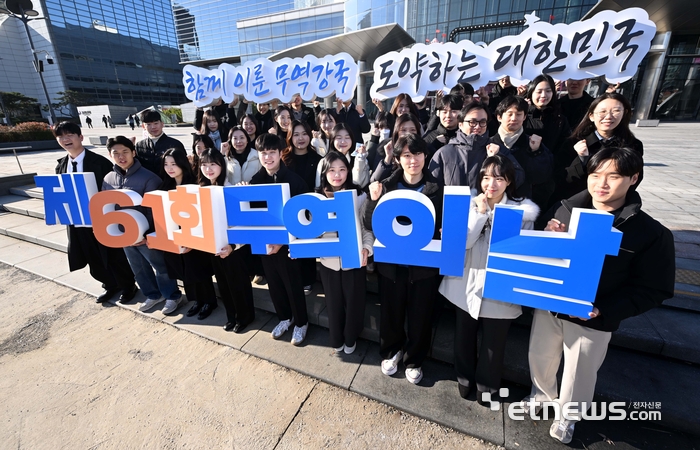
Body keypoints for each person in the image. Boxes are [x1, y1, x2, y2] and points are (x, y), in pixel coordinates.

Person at [524, 147, 675, 444]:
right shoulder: (563, 208)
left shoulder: (650, 233)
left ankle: (568, 416)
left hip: (593, 315)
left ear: (634, 178)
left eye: (613, 176)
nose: (601, 183)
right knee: (539, 355)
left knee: (580, 370)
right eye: (595, 175)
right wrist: (548, 237)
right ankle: (541, 395)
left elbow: (653, 288)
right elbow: (541, 256)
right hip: (550, 306)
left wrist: (604, 309)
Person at [439, 155, 539, 403]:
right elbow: (462, 243)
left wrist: (493, 219)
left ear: (508, 182)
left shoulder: (522, 212)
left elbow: (518, 252)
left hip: (499, 286)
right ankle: (464, 378)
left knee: (494, 343)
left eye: (498, 178)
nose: (490, 184)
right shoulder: (469, 205)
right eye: (486, 177)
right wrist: (480, 215)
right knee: (464, 334)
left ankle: (488, 385)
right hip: (466, 281)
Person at [364, 134, 443, 385]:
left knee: (421, 316)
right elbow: (369, 222)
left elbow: (442, 225)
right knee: (391, 313)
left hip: (423, 268)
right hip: (392, 266)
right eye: (407, 155)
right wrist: (372, 199)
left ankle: (414, 359)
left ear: (425, 156)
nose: (413, 160)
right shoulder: (385, 185)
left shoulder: (438, 188)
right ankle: (391, 352)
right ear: (397, 159)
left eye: (417, 154)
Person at [53, 122, 136, 303]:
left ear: (80, 137)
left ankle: (128, 286)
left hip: (102, 218)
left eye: (70, 135)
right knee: (91, 256)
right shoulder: (61, 165)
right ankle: (109, 285)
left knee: (114, 255)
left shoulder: (99, 163)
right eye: (61, 136)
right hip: (77, 220)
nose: (66, 139)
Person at [103, 136, 183, 314]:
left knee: (160, 266)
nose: (121, 157)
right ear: (110, 155)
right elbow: (106, 208)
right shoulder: (108, 178)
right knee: (137, 267)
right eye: (116, 153)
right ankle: (153, 295)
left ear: (134, 152)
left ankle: (172, 295)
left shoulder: (148, 177)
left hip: (146, 235)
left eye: (125, 152)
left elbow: (153, 210)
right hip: (123, 234)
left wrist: (146, 234)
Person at [249, 133, 310, 345]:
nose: (267, 157)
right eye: (263, 153)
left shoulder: (295, 181)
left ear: (280, 153)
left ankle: (301, 322)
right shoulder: (255, 182)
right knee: (274, 284)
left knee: (293, 284)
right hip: (265, 243)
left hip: (288, 245)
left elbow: (305, 217)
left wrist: (283, 242)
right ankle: (285, 318)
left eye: (272, 152)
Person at [316, 152, 374, 354]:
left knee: (355, 302)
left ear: (348, 171)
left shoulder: (359, 195)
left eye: (342, 169)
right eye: (332, 170)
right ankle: (336, 338)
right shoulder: (315, 198)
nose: (337, 174)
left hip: (353, 259)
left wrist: (367, 248)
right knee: (333, 304)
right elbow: (310, 231)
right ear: (324, 172)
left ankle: (351, 337)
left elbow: (366, 228)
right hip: (328, 262)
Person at [199, 148, 256, 330]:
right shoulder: (201, 190)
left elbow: (244, 225)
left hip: (233, 248)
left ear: (221, 166)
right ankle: (231, 316)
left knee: (238, 284)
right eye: (204, 165)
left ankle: (245, 317)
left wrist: (232, 246)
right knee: (223, 284)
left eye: (213, 164)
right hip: (213, 247)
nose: (208, 169)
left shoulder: (231, 189)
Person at [159, 148, 218, 319]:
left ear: (182, 164)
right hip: (176, 236)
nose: (170, 168)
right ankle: (196, 301)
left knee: (198, 269)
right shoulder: (165, 185)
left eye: (173, 164)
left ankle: (209, 301)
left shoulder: (193, 183)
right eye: (166, 164)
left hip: (194, 235)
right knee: (184, 271)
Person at [556, 93, 644, 203]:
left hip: (612, 204)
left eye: (616, 111)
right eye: (603, 111)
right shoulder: (574, 142)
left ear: (624, 113)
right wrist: (582, 160)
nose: (608, 116)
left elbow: (635, 178)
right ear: (591, 116)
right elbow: (562, 178)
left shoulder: (632, 145)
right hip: (575, 202)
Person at [429, 101, 525, 189]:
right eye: (472, 122)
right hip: (455, 207)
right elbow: (432, 187)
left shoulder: (497, 150)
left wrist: (498, 158)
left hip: (487, 207)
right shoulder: (444, 153)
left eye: (482, 122)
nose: (477, 126)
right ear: (460, 124)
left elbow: (518, 178)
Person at [490, 96, 553, 211]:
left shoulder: (534, 144)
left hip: (524, 206)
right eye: (509, 114)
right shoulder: (489, 144)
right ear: (499, 117)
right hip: (493, 205)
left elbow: (542, 177)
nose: (514, 118)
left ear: (524, 117)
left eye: (519, 114)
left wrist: (537, 152)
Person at [282, 120, 322, 294]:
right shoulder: (284, 158)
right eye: (296, 134)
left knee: (308, 244)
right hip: (289, 207)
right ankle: (293, 278)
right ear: (290, 137)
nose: (300, 138)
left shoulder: (317, 158)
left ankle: (307, 279)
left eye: (304, 134)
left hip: (310, 208)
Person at [523, 74, 571, 208]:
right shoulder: (522, 116)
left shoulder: (560, 119)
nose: (543, 95)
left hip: (547, 179)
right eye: (539, 91)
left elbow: (564, 147)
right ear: (531, 92)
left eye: (548, 91)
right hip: (521, 177)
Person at [368, 113, 422, 182]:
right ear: (397, 131)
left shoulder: (422, 149)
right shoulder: (385, 146)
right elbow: (374, 180)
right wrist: (388, 159)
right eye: (403, 130)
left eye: (412, 130)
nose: (408, 133)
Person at [318, 123, 370, 188]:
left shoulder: (359, 159)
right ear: (332, 140)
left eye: (347, 138)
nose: (343, 141)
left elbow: (361, 185)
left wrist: (360, 160)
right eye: (339, 138)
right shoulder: (324, 162)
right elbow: (319, 187)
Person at [135, 110, 186, 175]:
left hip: (168, 182)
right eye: (149, 124)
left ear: (162, 124)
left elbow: (183, 167)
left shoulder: (175, 144)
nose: (153, 127)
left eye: (156, 123)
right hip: (147, 183)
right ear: (143, 126)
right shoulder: (139, 145)